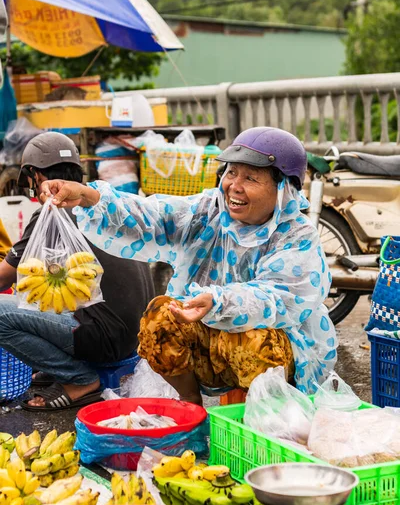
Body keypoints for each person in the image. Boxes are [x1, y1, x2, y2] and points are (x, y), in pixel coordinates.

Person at [41, 127, 337, 405]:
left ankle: (261, 415)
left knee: (258, 340)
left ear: (283, 188)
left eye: (251, 178)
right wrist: (89, 196)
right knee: (161, 316)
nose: (234, 186)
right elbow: (152, 215)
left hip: (279, 350)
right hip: (211, 331)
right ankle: (191, 408)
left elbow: (277, 297)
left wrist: (219, 301)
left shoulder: (297, 235)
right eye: (231, 172)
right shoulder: (209, 210)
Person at [0, 132, 155, 410]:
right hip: (134, 337)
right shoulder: (103, 201)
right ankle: (61, 365)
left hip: (104, 338)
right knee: (49, 291)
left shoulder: (53, 210)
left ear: (35, 175)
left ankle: (79, 380)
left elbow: (4, 278)